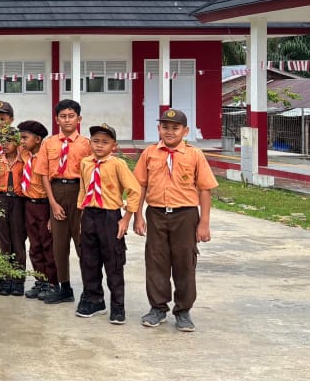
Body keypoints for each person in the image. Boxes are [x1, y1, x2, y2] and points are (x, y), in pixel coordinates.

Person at [133, 109, 217, 332]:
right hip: (157, 214)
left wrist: (204, 223)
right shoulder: (149, 153)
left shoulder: (194, 155)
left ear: (185, 131)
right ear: (158, 128)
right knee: (156, 262)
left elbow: (205, 189)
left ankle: (183, 311)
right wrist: (138, 215)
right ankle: (157, 308)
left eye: (175, 128)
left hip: (185, 214)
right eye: (165, 127)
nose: (169, 132)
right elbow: (139, 185)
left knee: (184, 263)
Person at [76, 123, 141, 324]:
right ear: (90, 143)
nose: (99, 145)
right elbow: (83, 189)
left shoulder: (118, 164)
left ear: (113, 145)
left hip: (110, 216)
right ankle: (94, 300)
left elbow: (134, 191)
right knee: (89, 260)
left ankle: (118, 306)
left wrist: (126, 218)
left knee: (113, 261)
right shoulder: (86, 163)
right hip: (89, 215)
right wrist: (81, 216)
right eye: (95, 141)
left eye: (105, 142)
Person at [35, 99, 91, 305]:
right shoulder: (49, 143)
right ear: (57, 119)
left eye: (71, 116)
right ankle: (64, 287)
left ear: (79, 118)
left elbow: (91, 174)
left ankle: (89, 289)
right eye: (63, 116)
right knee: (59, 244)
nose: (67, 120)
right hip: (57, 191)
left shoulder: (86, 144)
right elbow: (43, 174)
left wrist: (84, 203)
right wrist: (52, 203)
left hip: (79, 191)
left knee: (82, 242)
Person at [17, 120, 56, 301]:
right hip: (28, 205)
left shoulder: (45, 157)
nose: (21, 141)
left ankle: (52, 282)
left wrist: (51, 214)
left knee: (47, 245)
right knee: (34, 246)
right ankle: (40, 280)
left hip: (43, 204)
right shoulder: (24, 154)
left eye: (25, 138)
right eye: (20, 137)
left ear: (38, 139)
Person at [0, 126, 28, 296]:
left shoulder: (24, 161)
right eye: (2, 141)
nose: (5, 144)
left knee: (18, 240)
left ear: (18, 142)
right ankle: (5, 278)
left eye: (9, 141)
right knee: (3, 241)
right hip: (1, 200)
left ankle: (18, 279)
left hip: (18, 201)